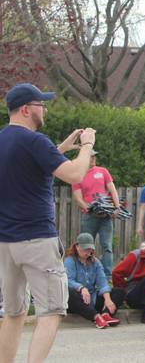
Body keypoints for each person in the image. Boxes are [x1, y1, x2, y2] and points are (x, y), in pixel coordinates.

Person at [0, 83, 96, 363]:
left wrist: (65, 146)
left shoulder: (6, 141)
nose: (45, 109)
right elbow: (77, 174)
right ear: (26, 109)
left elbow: (32, 164)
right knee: (51, 310)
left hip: (5, 242)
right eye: (41, 104)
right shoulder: (35, 142)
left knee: (13, 312)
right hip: (37, 240)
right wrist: (87, 145)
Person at [71, 150, 120, 277]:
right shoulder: (77, 176)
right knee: (85, 246)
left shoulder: (103, 171)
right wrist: (89, 208)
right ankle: (86, 274)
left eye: (94, 157)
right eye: (90, 157)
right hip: (89, 216)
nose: (93, 159)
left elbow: (112, 189)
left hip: (106, 216)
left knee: (107, 246)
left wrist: (116, 206)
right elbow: (78, 198)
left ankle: (107, 276)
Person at [64, 233, 120, 328]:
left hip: (92, 298)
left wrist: (108, 299)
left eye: (90, 249)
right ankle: (96, 317)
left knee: (119, 292)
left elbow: (102, 282)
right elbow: (67, 280)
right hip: (79, 301)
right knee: (69, 293)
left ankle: (105, 315)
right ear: (77, 247)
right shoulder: (69, 261)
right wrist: (81, 288)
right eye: (85, 249)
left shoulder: (95, 262)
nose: (88, 252)